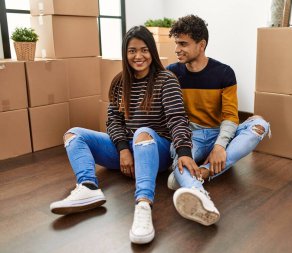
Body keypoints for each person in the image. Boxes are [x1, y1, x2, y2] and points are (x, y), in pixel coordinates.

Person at [50, 25, 198, 244]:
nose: (138, 56)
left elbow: (178, 119)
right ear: (125, 53)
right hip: (127, 149)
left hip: (156, 151)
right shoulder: (120, 82)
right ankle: (88, 187)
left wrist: (184, 152)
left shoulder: (167, 80)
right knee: (73, 134)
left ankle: (143, 205)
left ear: (152, 52)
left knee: (143, 132)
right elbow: (113, 121)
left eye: (144, 50)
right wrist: (123, 150)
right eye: (132, 51)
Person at [166, 15, 271, 226]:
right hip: (189, 136)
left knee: (260, 126)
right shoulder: (171, 74)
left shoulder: (224, 73)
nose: (177, 49)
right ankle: (200, 194)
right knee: (181, 158)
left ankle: (200, 173)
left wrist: (220, 146)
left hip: (218, 132)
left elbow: (231, 115)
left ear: (201, 45)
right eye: (176, 43)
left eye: (183, 44)